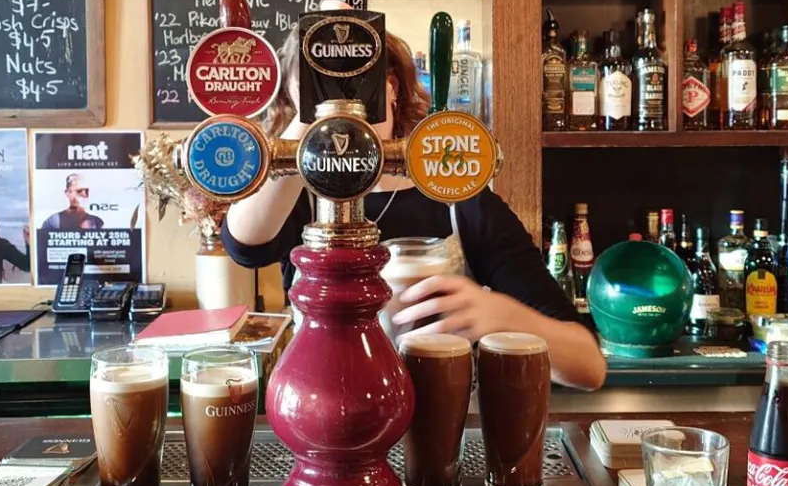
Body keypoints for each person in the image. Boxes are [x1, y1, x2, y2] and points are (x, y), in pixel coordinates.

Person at [222, 27, 606, 390]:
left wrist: (502, 316)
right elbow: (244, 244)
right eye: (318, 95)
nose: (342, 113)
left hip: (434, 425)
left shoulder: (460, 204)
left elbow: (588, 366)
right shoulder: (297, 199)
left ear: (390, 89)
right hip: (318, 416)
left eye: (357, 85)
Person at [40, 173, 105, 232]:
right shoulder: (53, 222)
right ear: (68, 193)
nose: (84, 195)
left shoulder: (97, 222)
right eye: (79, 191)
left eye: (86, 191)